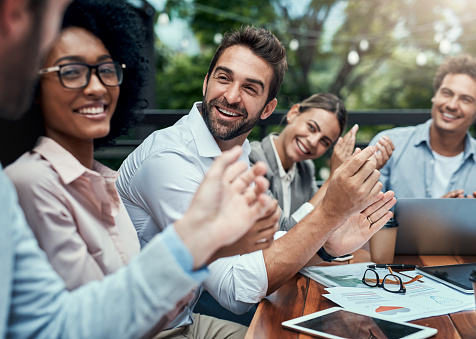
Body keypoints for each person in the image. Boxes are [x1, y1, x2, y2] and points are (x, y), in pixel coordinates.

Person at [0, 0, 276, 337]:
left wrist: (202, 245)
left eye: (107, 71)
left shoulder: (105, 180)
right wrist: (195, 244)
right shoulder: (27, 183)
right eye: (71, 72)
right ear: (36, 85)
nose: (96, 87)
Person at [117, 25, 397, 336]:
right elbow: (235, 290)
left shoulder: (239, 152)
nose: (231, 96)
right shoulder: (170, 159)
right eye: (224, 78)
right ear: (206, 82)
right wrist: (329, 214)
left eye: (250, 88)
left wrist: (327, 246)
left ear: (268, 109)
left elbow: (267, 243)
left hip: (183, 318)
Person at [370, 54, 476, 244]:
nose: (451, 105)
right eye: (446, 93)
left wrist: (472, 223)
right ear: (435, 95)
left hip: (462, 269)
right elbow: (365, 221)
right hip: (395, 270)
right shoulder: (388, 145)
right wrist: (437, 219)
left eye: (465, 99)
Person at [249, 93, 395, 227]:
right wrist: (333, 178)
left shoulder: (305, 168)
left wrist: (366, 171)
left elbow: (324, 224)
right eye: (312, 127)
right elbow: (285, 234)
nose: (313, 142)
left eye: (324, 141)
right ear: (293, 114)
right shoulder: (251, 159)